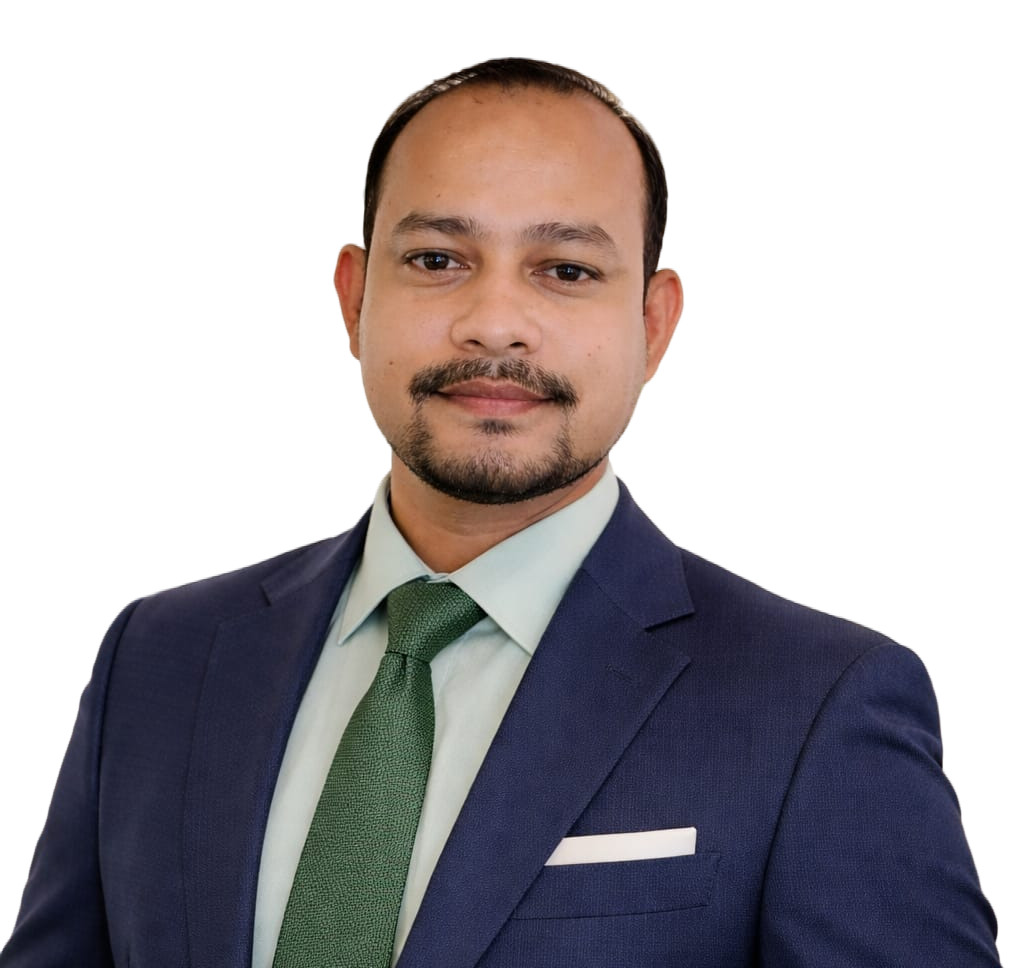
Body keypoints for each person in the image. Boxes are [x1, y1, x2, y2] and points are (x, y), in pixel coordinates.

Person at [2, 57, 999, 968]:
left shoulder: (817, 703)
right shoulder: (159, 658)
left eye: (565, 270)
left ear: (654, 326)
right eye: (437, 259)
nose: (493, 324)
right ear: (352, 300)